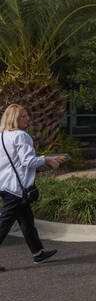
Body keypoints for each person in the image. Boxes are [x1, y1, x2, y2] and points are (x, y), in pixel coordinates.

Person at [0, 105, 64, 270]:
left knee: (27, 221)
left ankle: (38, 253)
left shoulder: (2, 136)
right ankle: (38, 253)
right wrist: (47, 160)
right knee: (4, 224)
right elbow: (28, 161)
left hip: (5, 185)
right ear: (15, 119)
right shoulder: (21, 136)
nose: (28, 119)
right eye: (24, 116)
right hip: (17, 189)